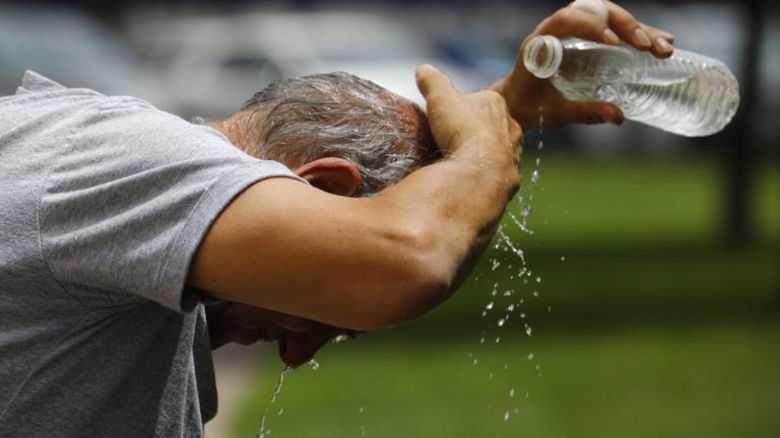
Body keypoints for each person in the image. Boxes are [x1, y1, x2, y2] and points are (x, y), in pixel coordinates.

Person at [0, 2, 673, 436]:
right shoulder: (130, 157)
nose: (296, 353)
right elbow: (404, 262)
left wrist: (503, 110)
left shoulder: (127, 222)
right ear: (323, 186)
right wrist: (481, 149)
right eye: (325, 313)